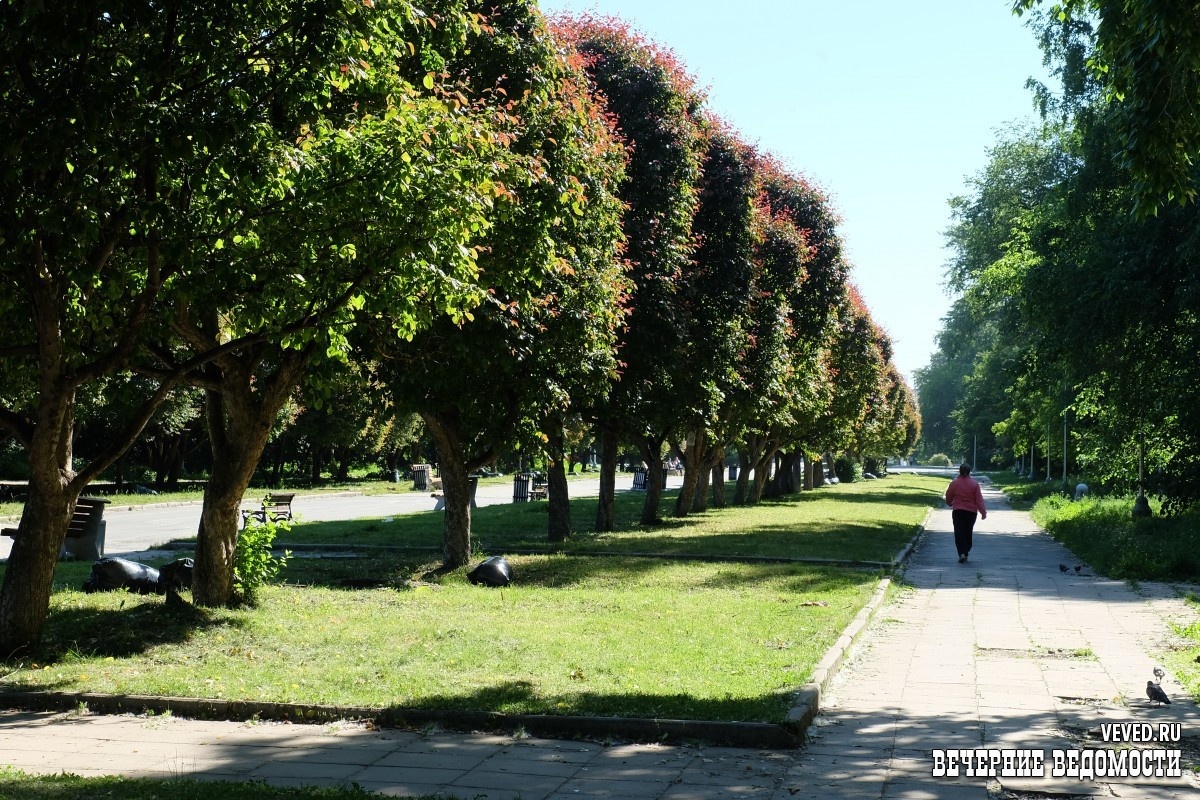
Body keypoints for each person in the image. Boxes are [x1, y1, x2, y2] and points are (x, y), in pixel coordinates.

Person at [944, 463, 986, 563]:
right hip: (971, 512)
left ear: (960, 471)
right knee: (968, 531)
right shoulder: (974, 484)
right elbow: (979, 500)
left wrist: (949, 502)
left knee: (959, 532)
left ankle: (962, 553)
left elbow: (949, 495)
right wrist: (983, 512)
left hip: (958, 511)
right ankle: (966, 550)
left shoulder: (955, 483)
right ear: (969, 472)